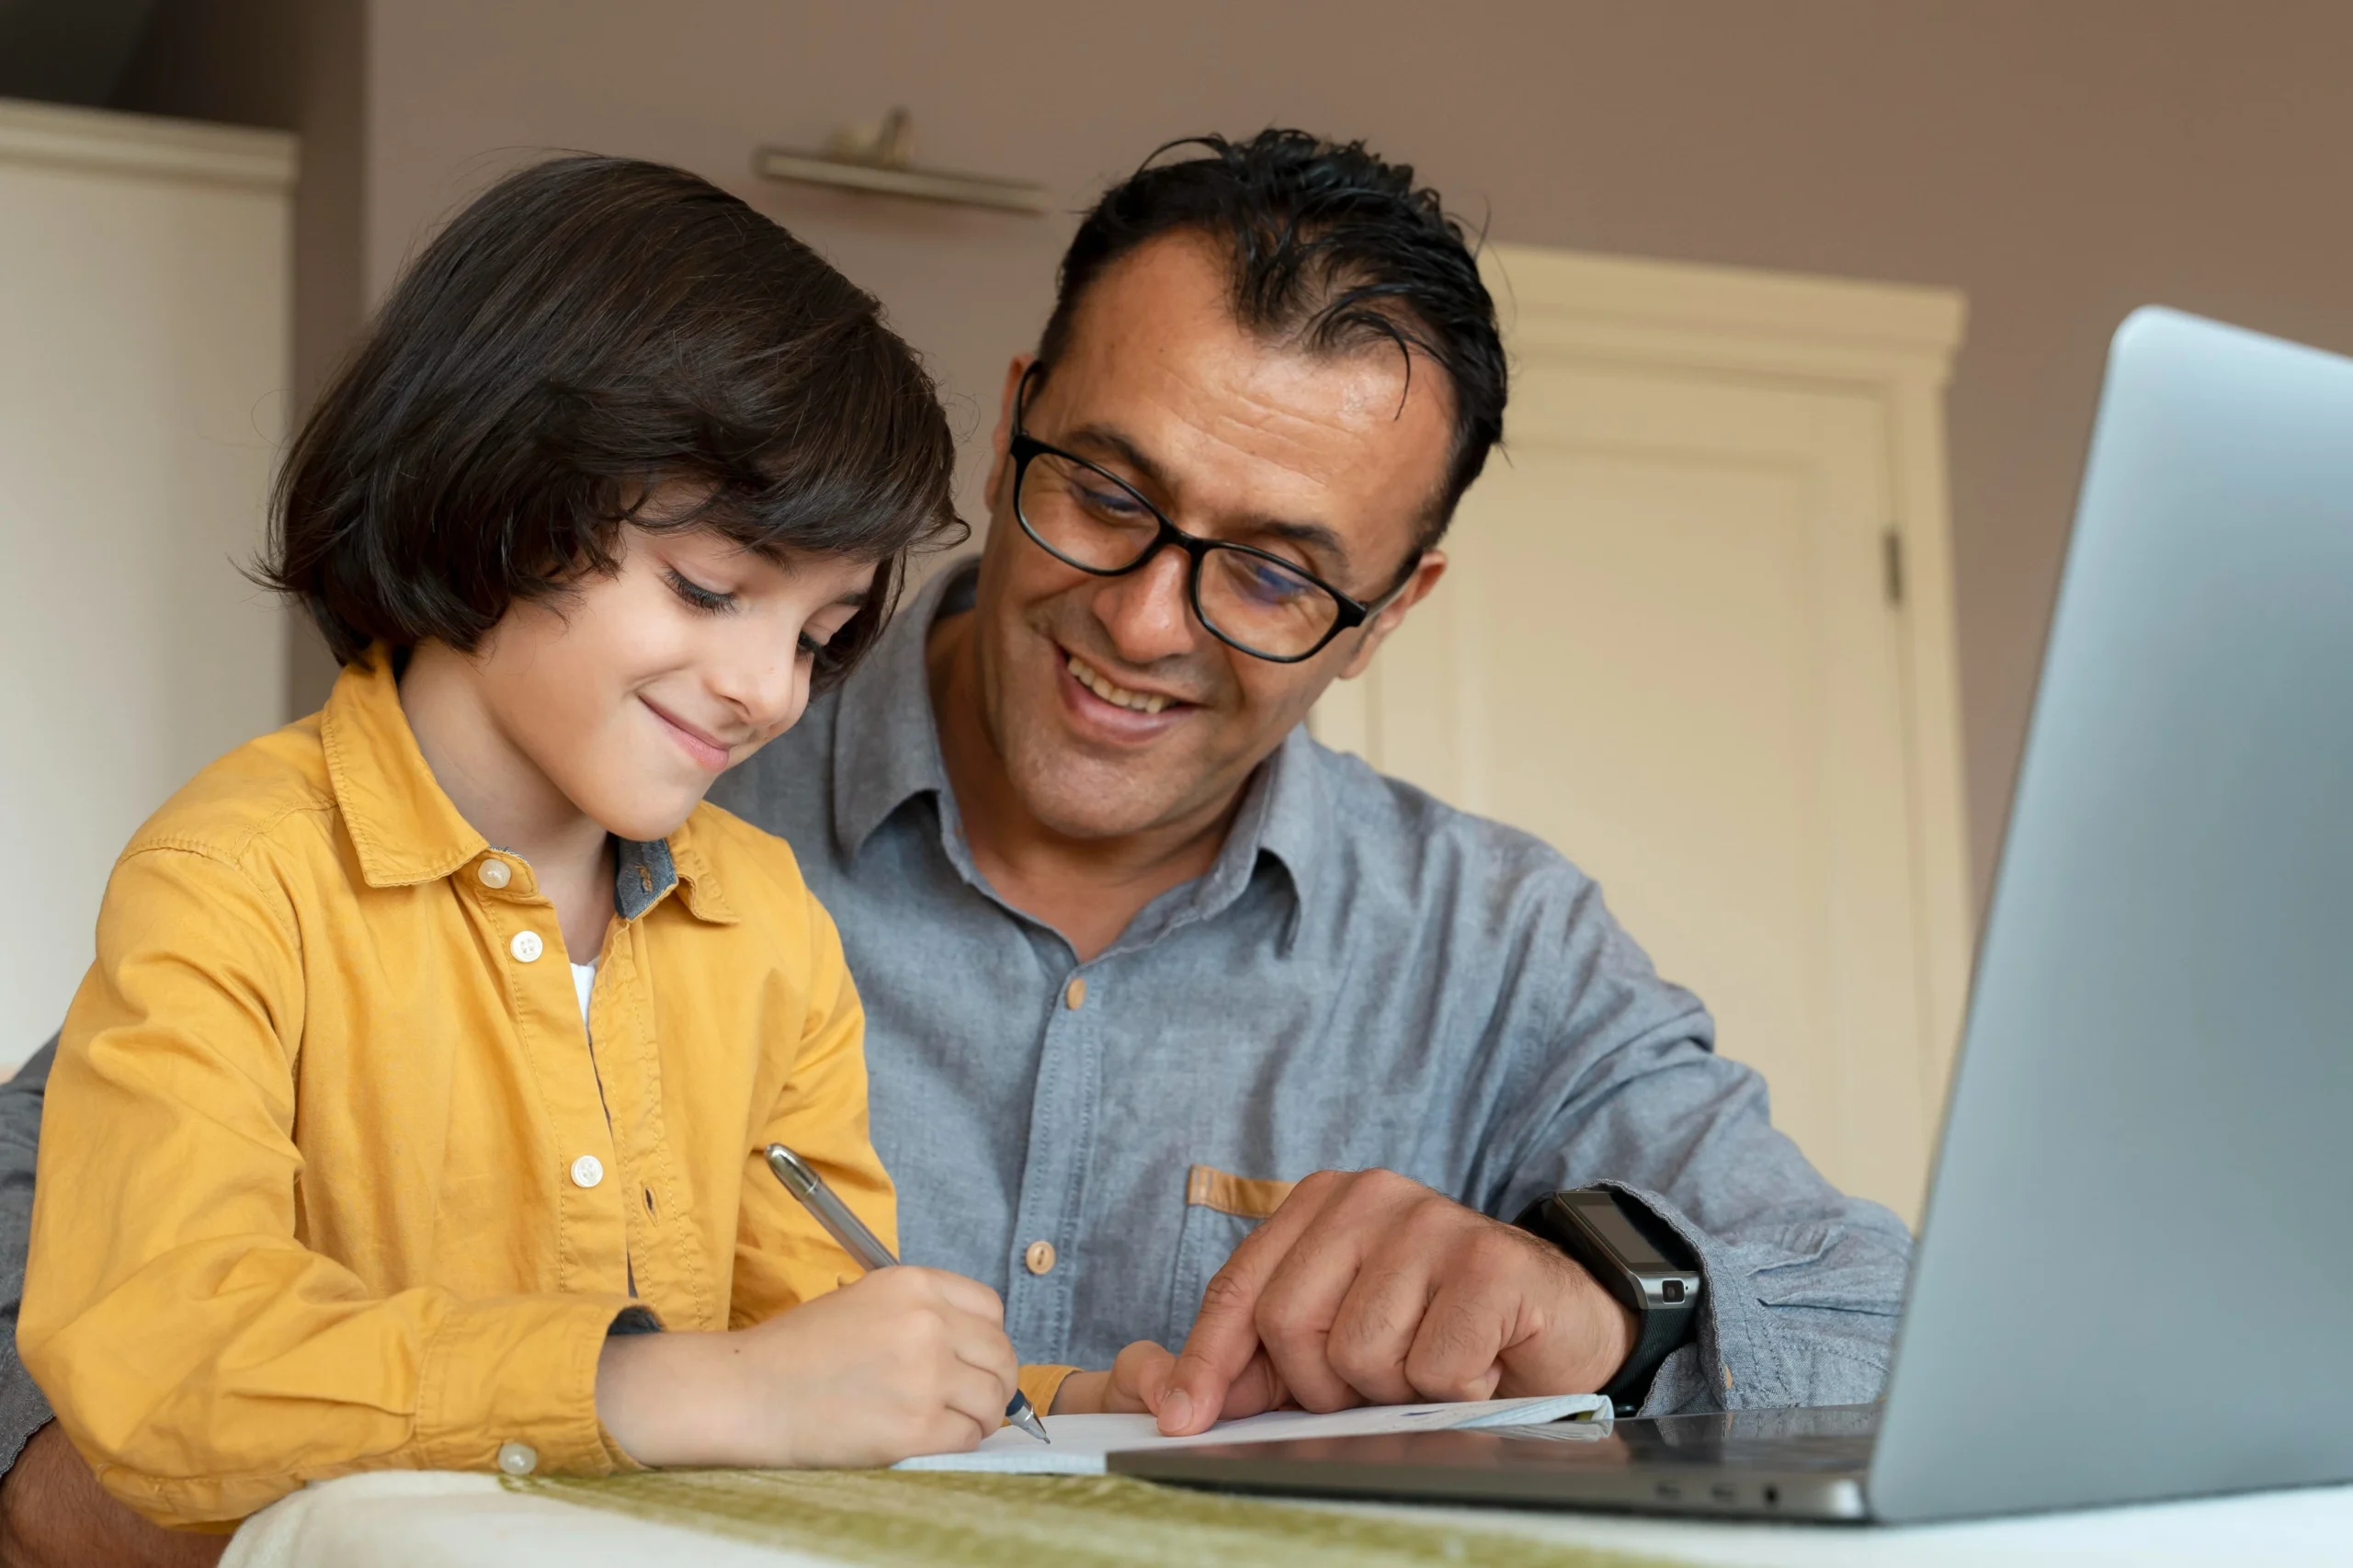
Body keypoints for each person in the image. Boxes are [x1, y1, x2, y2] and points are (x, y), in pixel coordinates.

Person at [0, 130, 1912, 1564]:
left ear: (1393, 607)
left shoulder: (1493, 947)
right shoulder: (610, 799)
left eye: (1267, 573)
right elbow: (61, 1315)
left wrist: (1612, 1307)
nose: (1148, 622)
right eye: (1103, 496)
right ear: (1012, 427)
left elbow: (1911, 1324)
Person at [7, 154, 1034, 1547]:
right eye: (712, 588)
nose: (769, 690)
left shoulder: (769, 922)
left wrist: (1004, 1385)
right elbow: (162, 1354)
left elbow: (813, 1355)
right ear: (499, 490)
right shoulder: (233, 874)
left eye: (815, 633)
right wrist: (660, 1386)